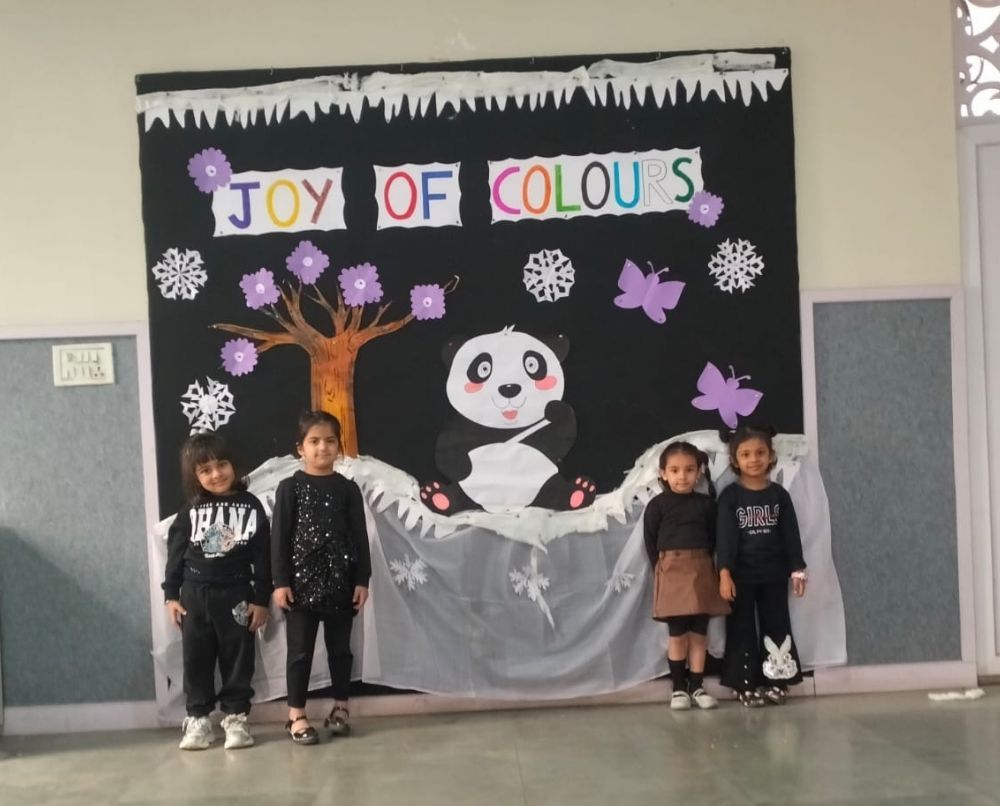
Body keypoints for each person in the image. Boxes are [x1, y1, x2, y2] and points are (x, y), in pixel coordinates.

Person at [163, 433, 271, 750]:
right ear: (194, 477)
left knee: (238, 659)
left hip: (237, 594)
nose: (216, 474)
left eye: (221, 464)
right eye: (205, 470)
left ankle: (236, 718)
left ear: (233, 465)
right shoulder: (190, 510)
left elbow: (263, 557)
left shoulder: (251, 506)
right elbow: (175, 555)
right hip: (194, 597)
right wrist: (171, 596)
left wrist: (261, 599)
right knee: (196, 660)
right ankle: (198, 719)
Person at [272, 411, 372, 745]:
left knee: (340, 650)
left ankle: (341, 707)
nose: (322, 448)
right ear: (300, 448)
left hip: (341, 584)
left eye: (330, 441)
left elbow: (359, 536)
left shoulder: (348, 489)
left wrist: (362, 579)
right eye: (314, 441)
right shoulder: (290, 488)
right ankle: (296, 715)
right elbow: (279, 538)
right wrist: (280, 582)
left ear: (338, 446)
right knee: (299, 652)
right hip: (300, 587)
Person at [716, 425, 807, 707]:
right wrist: (724, 573)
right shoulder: (730, 497)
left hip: (774, 574)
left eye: (759, 453)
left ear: (770, 456)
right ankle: (743, 683)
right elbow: (724, 539)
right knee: (741, 628)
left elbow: (790, 535)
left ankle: (778, 680)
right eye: (745, 454)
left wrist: (797, 568)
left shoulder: (779, 496)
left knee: (777, 624)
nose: (753, 459)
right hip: (740, 576)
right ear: (735, 460)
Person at [643, 441, 730, 710]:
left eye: (689, 469)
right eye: (675, 470)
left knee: (699, 632)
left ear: (699, 472)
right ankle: (678, 688)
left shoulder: (707, 505)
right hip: (671, 572)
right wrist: (663, 569)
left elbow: (715, 539)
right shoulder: (657, 506)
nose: (682, 476)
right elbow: (651, 542)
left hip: (701, 569)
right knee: (678, 633)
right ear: (663, 473)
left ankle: (697, 686)